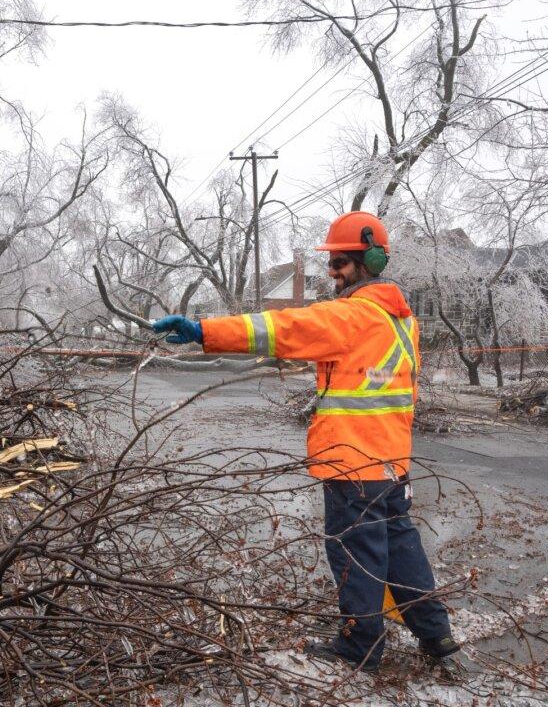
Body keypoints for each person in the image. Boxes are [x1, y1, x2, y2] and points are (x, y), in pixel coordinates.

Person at [152, 211, 459, 675]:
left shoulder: (351, 316)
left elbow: (278, 329)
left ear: (366, 261)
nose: (331, 271)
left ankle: (361, 647)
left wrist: (203, 331)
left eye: (338, 262)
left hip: (351, 462)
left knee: (357, 553)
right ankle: (436, 632)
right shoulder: (404, 322)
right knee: (400, 547)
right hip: (391, 463)